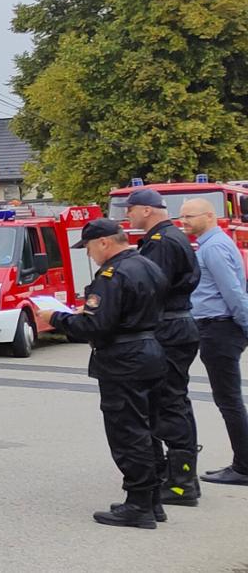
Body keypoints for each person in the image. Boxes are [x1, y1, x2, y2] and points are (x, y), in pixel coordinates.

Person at [33, 218, 168, 528]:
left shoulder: (112, 274)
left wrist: (58, 317)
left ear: (105, 242)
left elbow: (94, 327)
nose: (90, 254)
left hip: (124, 360)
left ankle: (138, 505)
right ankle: (152, 499)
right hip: (149, 350)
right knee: (148, 428)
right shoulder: (147, 265)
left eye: (90, 248)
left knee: (127, 431)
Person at [126, 188, 202, 506]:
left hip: (169, 326)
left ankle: (183, 483)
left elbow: (151, 287)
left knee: (170, 402)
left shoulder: (162, 242)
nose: (126, 216)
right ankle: (177, 476)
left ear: (146, 210)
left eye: (130, 210)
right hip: (175, 324)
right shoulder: (169, 238)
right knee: (170, 401)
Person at [178, 198, 248, 487]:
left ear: (209, 216)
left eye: (189, 217)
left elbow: (232, 291)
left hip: (219, 328)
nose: (183, 222)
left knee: (228, 399)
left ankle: (243, 466)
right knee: (228, 399)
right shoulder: (210, 244)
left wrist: (245, 325)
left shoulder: (214, 247)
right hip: (216, 327)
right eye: (181, 217)